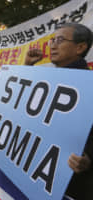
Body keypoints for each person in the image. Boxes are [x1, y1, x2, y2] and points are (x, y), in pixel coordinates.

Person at [25, 23, 93, 200]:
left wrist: (88, 161)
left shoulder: (89, 86)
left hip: (68, 187)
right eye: (52, 40)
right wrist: (27, 68)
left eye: (60, 40)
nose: (53, 45)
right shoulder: (45, 80)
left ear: (80, 47)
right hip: (31, 178)